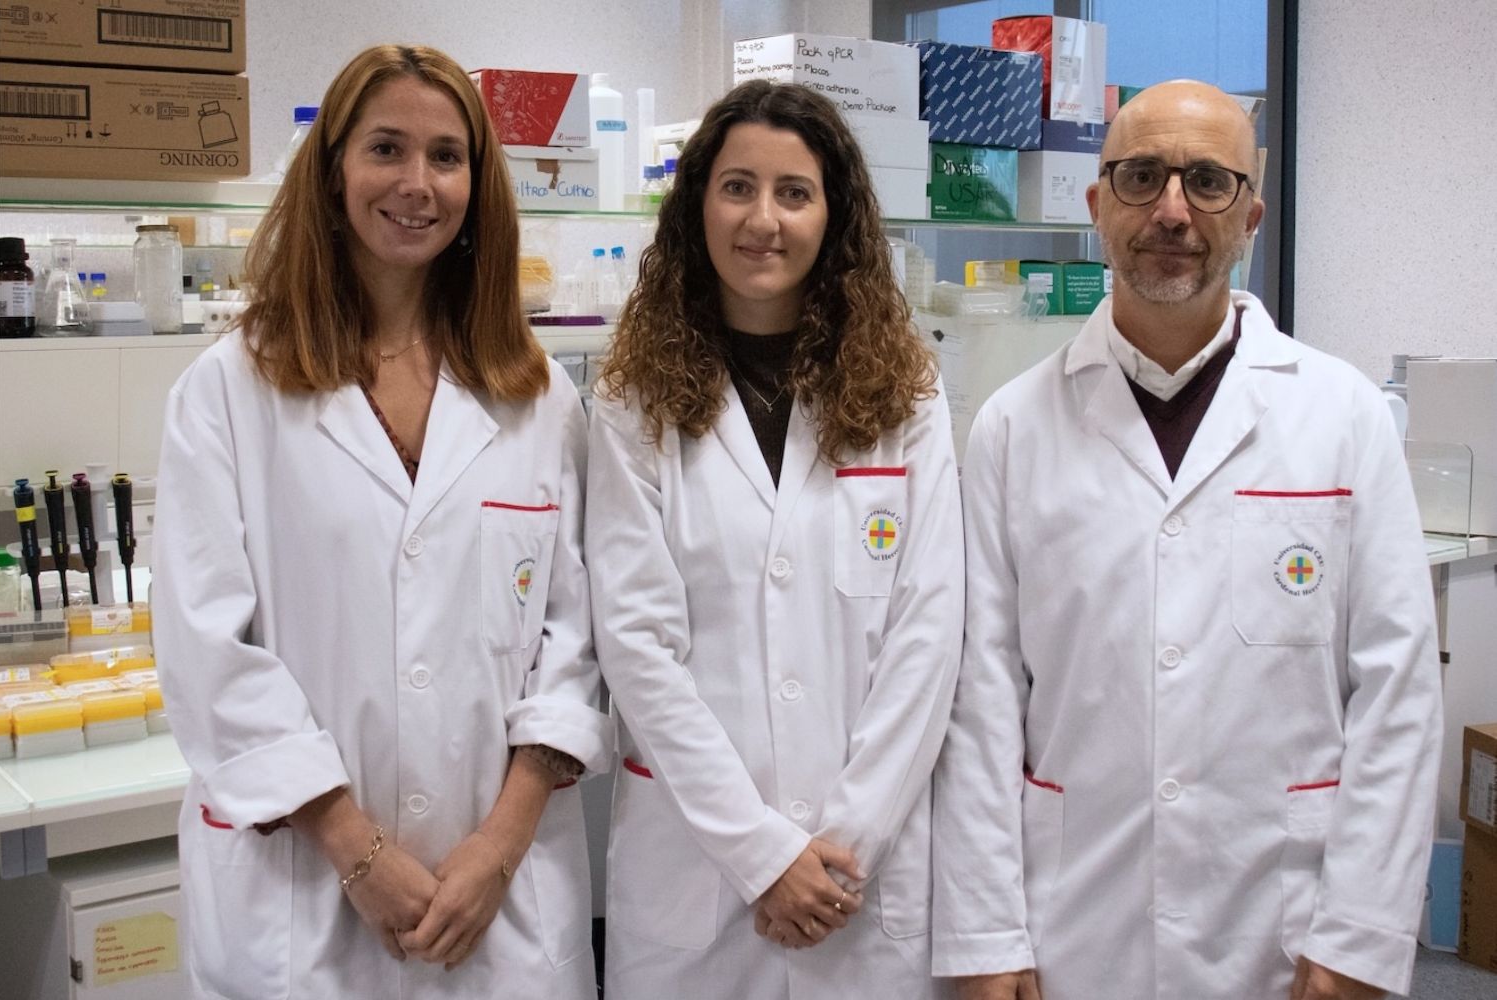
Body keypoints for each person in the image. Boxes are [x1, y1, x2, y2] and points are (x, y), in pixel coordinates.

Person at [932, 80, 1442, 1000]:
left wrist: (1361, 937)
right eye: (1141, 176)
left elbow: (1396, 695)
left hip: (1283, 925)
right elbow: (980, 701)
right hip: (1072, 920)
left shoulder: (1343, 415)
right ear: (1097, 207)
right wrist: (983, 935)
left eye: (1207, 181)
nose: (1172, 209)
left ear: (1249, 214)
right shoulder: (1012, 427)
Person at [152, 44, 611, 998]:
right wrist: (355, 848)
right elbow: (207, 647)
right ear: (331, 173)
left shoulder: (538, 397)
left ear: (478, 185)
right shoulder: (227, 393)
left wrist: (500, 843)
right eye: (386, 149)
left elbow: (576, 639)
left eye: (447, 157)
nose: (418, 184)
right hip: (303, 900)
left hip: (502, 897)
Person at [586, 79, 963, 1000]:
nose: (765, 219)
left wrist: (840, 849)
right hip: (697, 879)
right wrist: (761, 855)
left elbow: (930, 631)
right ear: (696, 207)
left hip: (857, 885)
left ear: (833, 216)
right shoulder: (630, 401)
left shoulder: (907, 396)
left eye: (794, 193)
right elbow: (638, 647)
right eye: (737, 187)